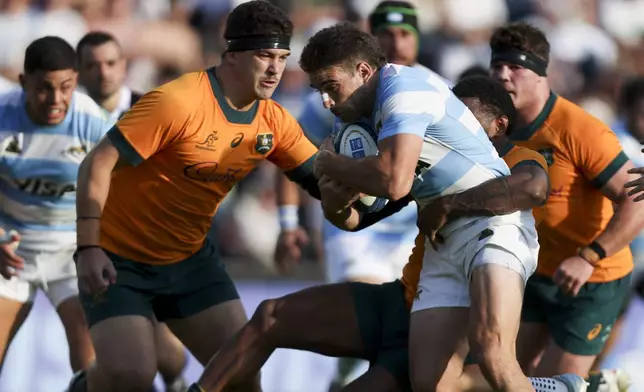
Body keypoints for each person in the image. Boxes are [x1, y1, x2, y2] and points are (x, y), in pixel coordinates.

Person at [187, 75, 591, 392]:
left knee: (465, 368)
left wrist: (448, 206)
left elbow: (532, 190)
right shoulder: (425, 158)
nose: (453, 126)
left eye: (466, 118)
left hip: (437, 328)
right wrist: (334, 195)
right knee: (269, 316)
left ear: (499, 125)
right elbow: (360, 218)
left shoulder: (521, 159)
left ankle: (543, 387)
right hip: (401, 298)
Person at [65, 2, 320, 391]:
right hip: (119, 258)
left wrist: (381, 191)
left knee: (242, 375)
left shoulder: (274, 120)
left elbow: (322, 180)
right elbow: (97, 164)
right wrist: (88, 248)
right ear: (233, 54)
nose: (275, 69)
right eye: (264, 55)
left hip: (189, 263)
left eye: (282, 57)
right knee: (131, 375)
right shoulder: (177, 101)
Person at [274, 4, 432, 387]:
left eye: (404, 34)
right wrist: (288, 222)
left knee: (403, 341)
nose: (395, 43)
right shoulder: (330, 94)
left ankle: (348, 377)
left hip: (416, 233)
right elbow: (290, 149)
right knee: (377, 324)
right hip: (359, 232)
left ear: (418, 39)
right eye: (386, 35)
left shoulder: (431, 89)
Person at [488, 22, 644, 382]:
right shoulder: (496, 128)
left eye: (515, 67)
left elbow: (636, 199)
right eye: (497, 67)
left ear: (541, 75)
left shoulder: (578, 129)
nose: (503, 76)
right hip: (538, 274)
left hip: (593, 279)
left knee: (557, 384)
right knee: (502, 374)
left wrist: (590, 257)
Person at [76, 30, 188, 392]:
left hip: (147, 244)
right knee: (106, 356)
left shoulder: (151, 109)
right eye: (92, 65)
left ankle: (174, 381)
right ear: (78, 71)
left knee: (169, 356)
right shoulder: (66, 117)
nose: (103, 72)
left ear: (124, 66)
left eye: (110, 63)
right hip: (87, 244)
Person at [0, 36, 110, 375]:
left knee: (90, 359)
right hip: (12, 253)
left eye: (66, 87)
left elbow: (120, 189)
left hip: (71, 254)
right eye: (44, 88)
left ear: (76, 81)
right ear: (23, 83)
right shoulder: (3, 117)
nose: (56, 100)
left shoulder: (93, 121)